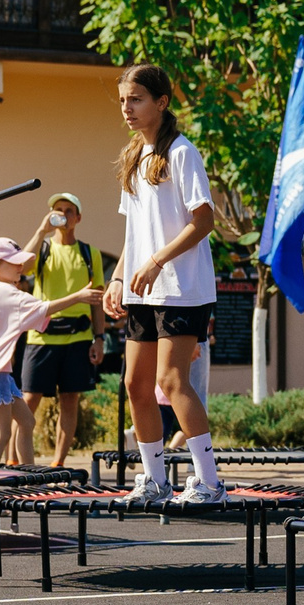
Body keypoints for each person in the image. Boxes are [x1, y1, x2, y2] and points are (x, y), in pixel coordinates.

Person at [99, 65, 225, 506]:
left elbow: (204, 221)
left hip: (181, 285)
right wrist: (118, 277)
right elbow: (135, 231)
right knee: (135, 383)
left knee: (172, 380)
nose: (127, 108)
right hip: (141, 288)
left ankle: (209, 482)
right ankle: (154, 481)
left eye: (136, 99)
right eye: (122, 100)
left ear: (162, 102)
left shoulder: (182, 152)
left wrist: (156, 262)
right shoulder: (134, 155)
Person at [0, 237, 102, 467]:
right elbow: (43, 308)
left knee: (26, 422)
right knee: (0, 434)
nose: (20, 267)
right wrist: (78, 297)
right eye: (14, 263)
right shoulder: (5, 293)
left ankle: (29, 479)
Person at [24, 192, 106, 471]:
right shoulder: (44, 248)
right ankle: (14, 459)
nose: (63, 215)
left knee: (69, 400)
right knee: (28, 400)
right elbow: (22, 266)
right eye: (58, 210)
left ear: (78, 217)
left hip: (78, 337)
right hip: (42, 336)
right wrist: (40, 230)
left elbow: (97, 302)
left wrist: (99, 339)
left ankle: (58, 462)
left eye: (69, 210)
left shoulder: (89, 253)